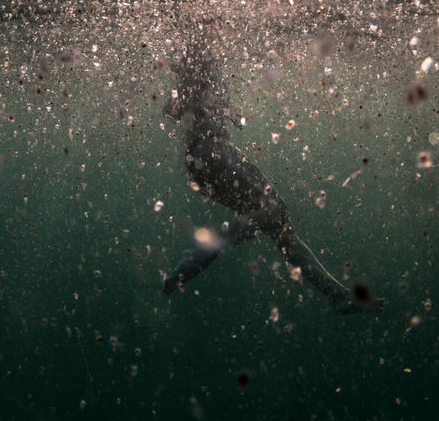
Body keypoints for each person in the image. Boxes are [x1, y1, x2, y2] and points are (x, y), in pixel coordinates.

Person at [161, 33, 383, 314]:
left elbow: (170, 111)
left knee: (280, 228)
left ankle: (336, 294)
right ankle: (205, 250)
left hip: (200, 160)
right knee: (275, 212)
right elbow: (177, 108)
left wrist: (205, 104)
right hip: (213, 152)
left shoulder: (198, 68)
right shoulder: (202, 60)